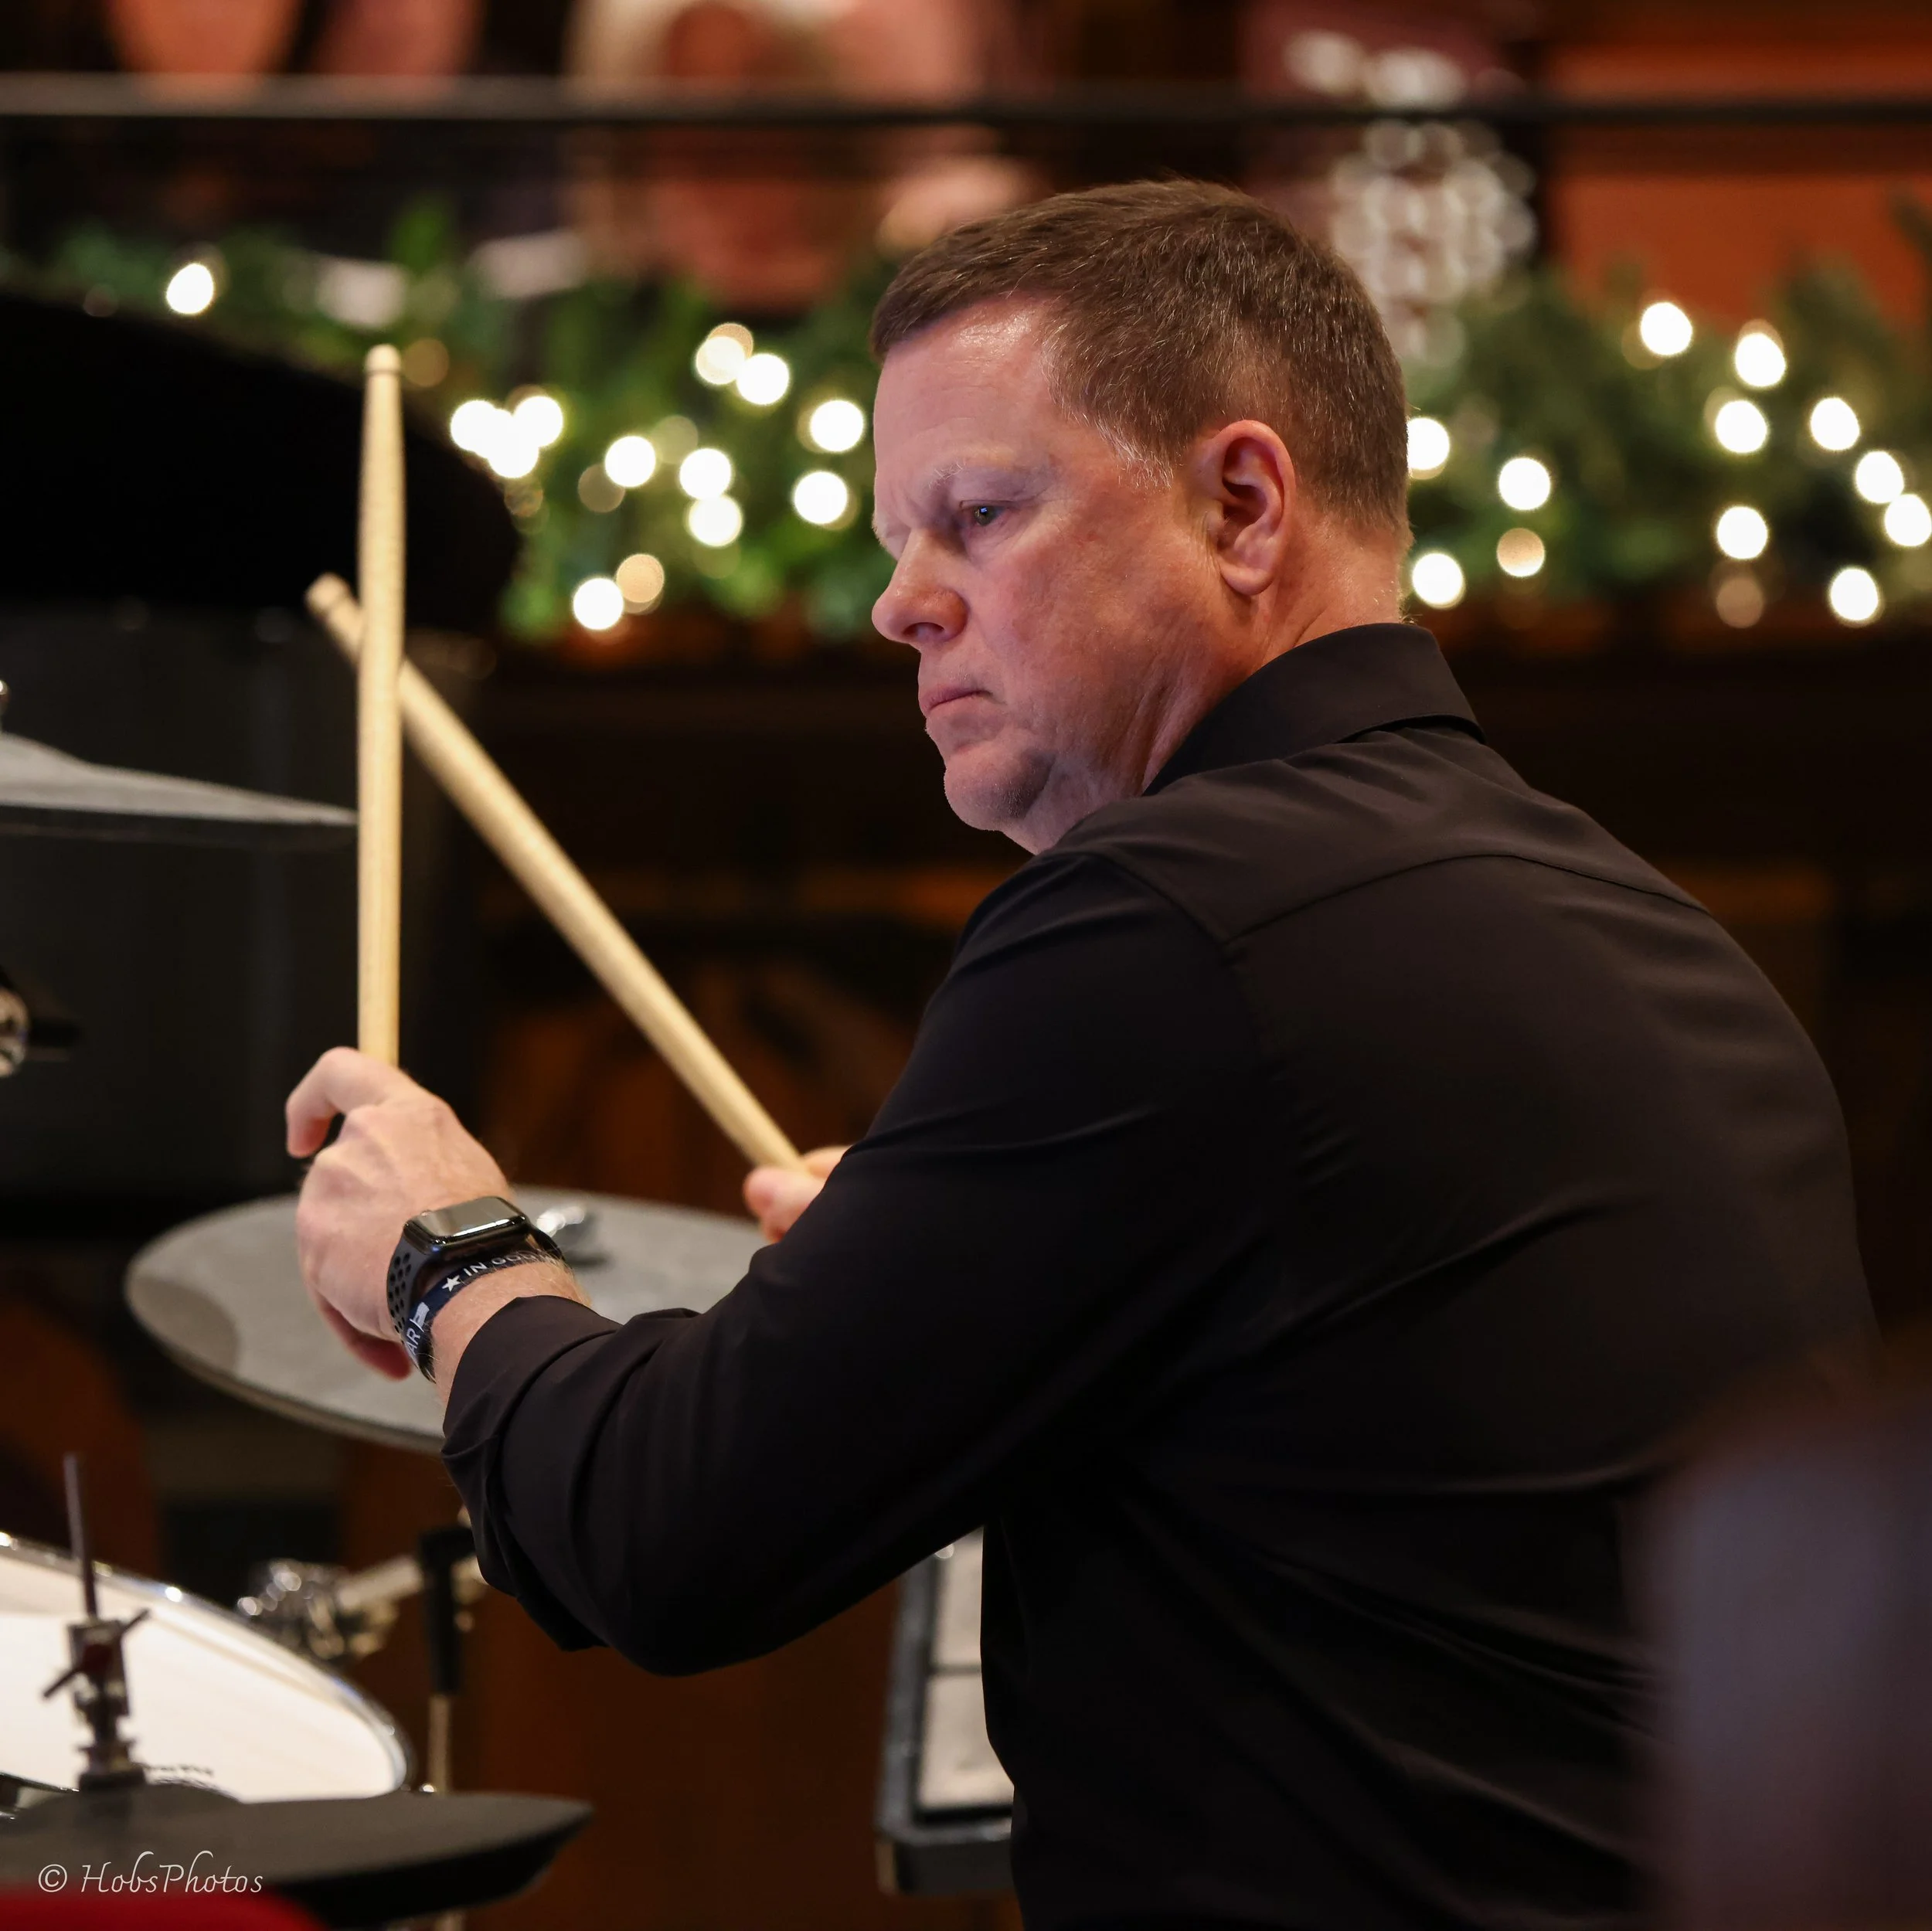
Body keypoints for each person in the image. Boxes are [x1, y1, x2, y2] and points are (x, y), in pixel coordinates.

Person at [287, 182, 1872, 1931]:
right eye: (897, 539)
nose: (902, 605)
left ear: (1242, 504)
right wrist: (957, 1262)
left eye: (977, 516)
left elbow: (662, 1535)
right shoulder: (1665, 940)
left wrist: (451, 1249)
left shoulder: (1171, 920)